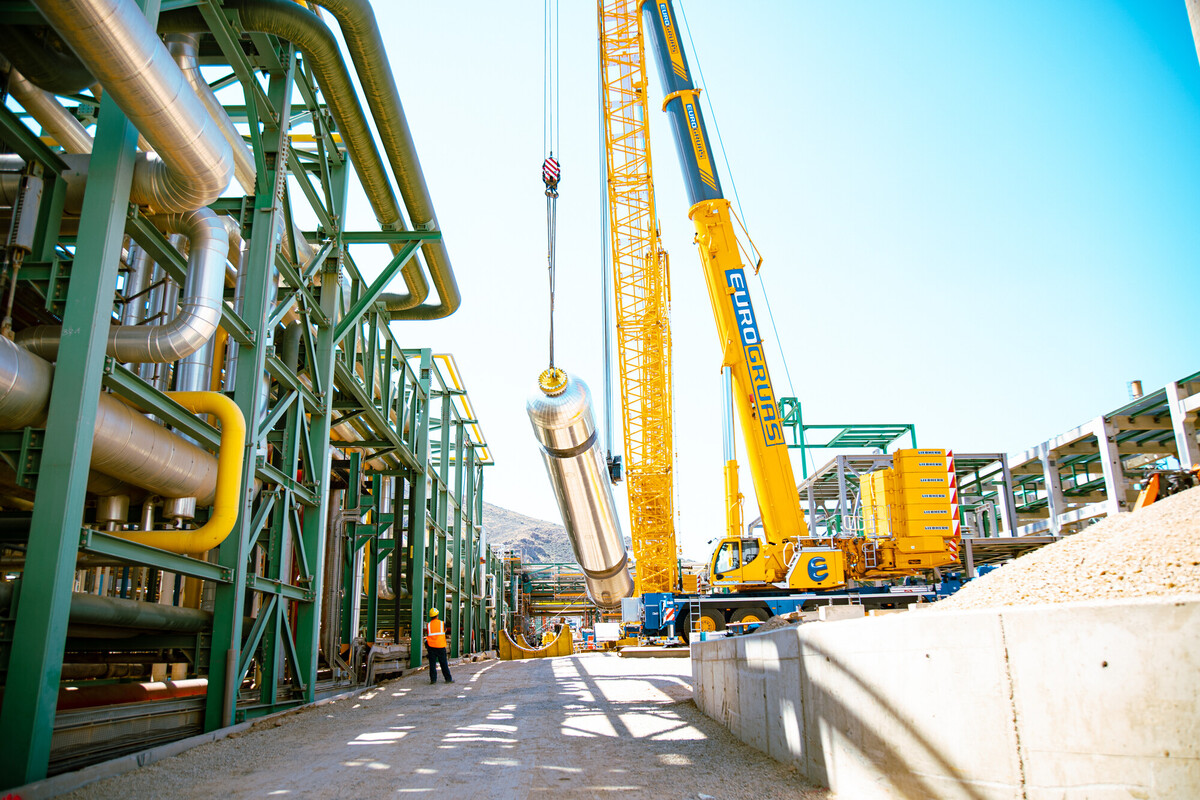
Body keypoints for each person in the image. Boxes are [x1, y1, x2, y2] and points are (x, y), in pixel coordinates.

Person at [425, 608, 452, 684]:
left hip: (431, 647)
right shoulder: (442, 623)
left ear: (431, 616)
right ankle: (448, 679)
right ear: (437, 615)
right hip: (440, 646)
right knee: (443, 663)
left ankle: (433, 680)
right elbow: (445, 630)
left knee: (432, 664)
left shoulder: (429, 625)